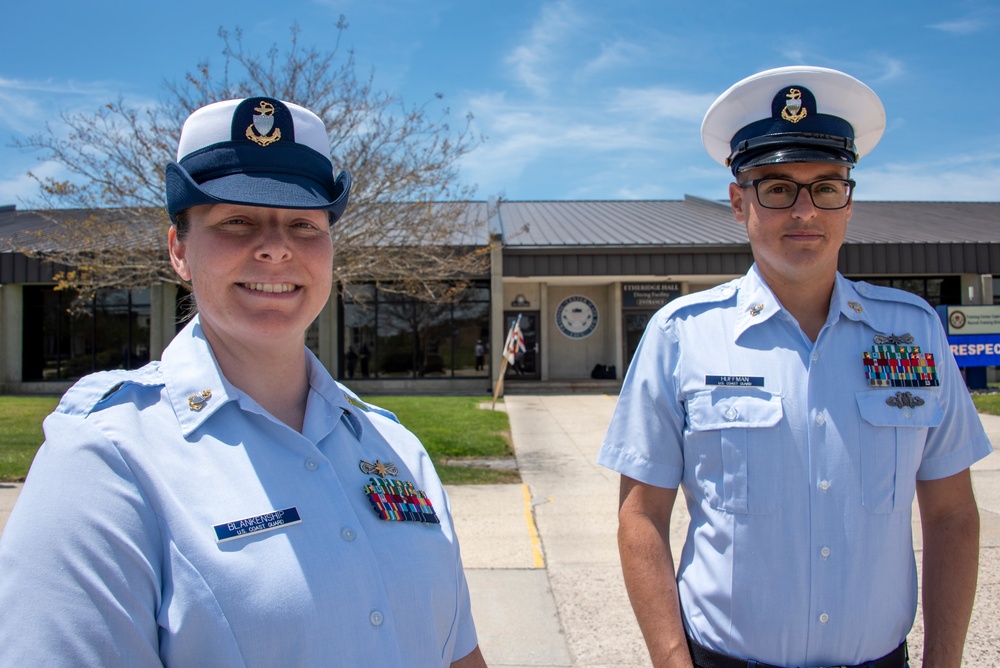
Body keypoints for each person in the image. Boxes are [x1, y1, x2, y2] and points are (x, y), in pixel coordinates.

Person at [0, 97, 486, 668]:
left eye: (304, 225)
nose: (276, 247)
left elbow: (457, 655)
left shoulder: (397, 450)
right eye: (237, 221)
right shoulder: (105, 463)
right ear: (179, 250)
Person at [597, 66, 992, 668]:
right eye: (777, 187)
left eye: (827, 186)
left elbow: (953, 513)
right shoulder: (683, 336)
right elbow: (642, 516)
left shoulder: (912, 332)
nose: (805, 210)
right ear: (738, 201)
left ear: (849, 201)